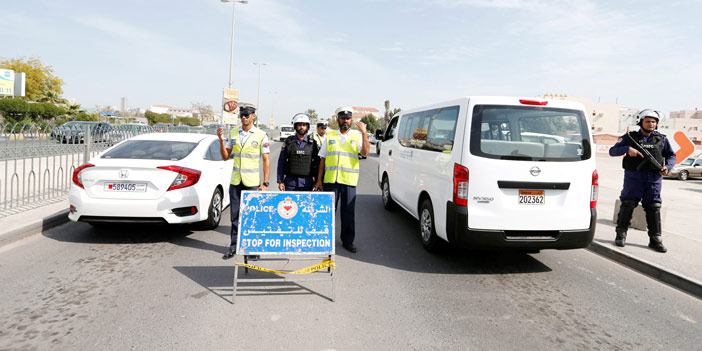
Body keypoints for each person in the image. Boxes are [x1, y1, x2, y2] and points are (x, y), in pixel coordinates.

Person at [609, 109, 675, 253]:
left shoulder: (662, 139)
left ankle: (655, 239)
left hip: (654, 180)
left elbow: (671, 156)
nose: (651, 124)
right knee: (628, 204)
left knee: (654, 206)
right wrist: (627, 149)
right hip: (634, 179)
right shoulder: (630, 138)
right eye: (648, 121)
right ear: (641, 122)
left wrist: (667, 167)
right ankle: (621, 235)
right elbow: (612, 151)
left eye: (654, 121)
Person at [313, 107, 370, 253]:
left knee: (348, 213)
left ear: (351, 120)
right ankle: (325, 240)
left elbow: (365, 152)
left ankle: (347, 241)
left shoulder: (357, 135)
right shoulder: (330, 135)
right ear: (337, 119)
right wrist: (319, 180)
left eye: (348, 118)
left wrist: (364, 133)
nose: (345, 121)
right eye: (342, 118)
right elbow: (323, 159)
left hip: (349, 181)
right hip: (331, 180)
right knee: (328, 212)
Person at [217, 105, 271, 260]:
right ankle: (234, 247)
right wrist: (221, 140)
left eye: (247, 115)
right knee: (235, 216)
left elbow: (266, 160)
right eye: (242, 115)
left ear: (253, 116)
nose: (244, 118)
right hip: (236, 181)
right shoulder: (233, 133)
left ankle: (252, 249)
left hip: (252, 182)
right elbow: (225, 156)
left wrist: (265, 183)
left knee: (252, 216)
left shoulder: (261, 135)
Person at [277, 113, 320, 191]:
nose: (302, 127)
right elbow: (281, 162)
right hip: (290, 182)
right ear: (295, 126)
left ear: (307, 127)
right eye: (299, 125)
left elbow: (317, 164)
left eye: (304, 125)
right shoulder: (289, 142)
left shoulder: (313, 144)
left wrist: (317, 181)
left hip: (307, 183)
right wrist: (280, 181)